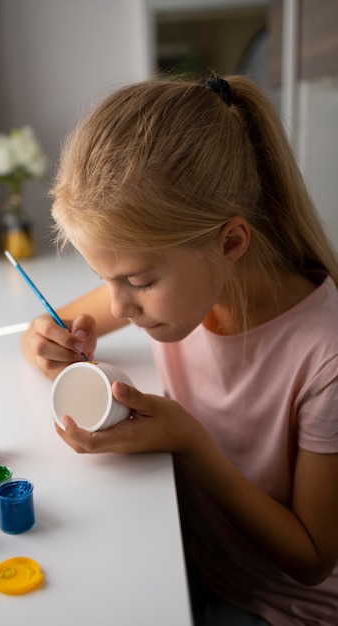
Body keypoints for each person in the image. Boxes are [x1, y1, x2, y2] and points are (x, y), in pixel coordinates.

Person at [21, 74, 338, 625]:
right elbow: (71, 319)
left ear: (231, 242)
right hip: (196, 560)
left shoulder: (325, 358)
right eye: (104, 276)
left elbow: (312, 559)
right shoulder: (181, 283)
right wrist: (47, 338)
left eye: (138, 282)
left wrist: (191, 442)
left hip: (284, 608)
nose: (119, 309)